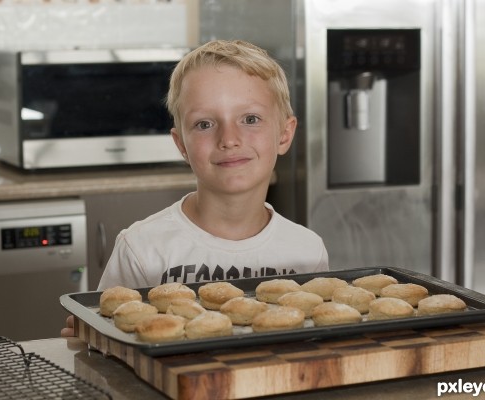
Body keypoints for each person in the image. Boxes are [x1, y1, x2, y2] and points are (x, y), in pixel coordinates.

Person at [61, 39, 328, 337]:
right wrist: (88, 340)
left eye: (250, 119)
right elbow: (107, 332)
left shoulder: (307, 250)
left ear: (284, 134)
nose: (229, 138)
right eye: (204, 124)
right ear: (181, 145)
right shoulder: (142, 249)